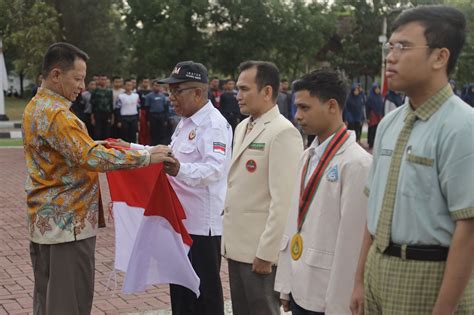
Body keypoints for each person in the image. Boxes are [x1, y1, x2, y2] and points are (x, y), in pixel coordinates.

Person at [22, 42, 174, 315]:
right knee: (69, 302)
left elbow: (72, 149)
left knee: (47, 298)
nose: (82, 86)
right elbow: (89, 157)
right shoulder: (57, 114)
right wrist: (146, 157)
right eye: (77, 78)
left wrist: (109, 145)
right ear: (56, 75)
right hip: (69, 226)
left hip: (47, 222)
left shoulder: (36, 105)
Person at [350, 5, 474, 315]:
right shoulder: (391, 123)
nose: (390, 57)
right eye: (390, 46)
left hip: (428, 274)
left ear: (439, 57)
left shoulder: (462, 126)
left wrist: (443, 310)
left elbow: (468, 227)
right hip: (379, 269)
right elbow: (373, 208)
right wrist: (360, 280)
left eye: (403, 46)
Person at [122, 61, 232, 315]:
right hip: (181, 222)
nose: (171, 97)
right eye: (170, 91)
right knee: (181, 295)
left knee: (204, 296)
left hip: (202, 227)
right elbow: (167, 154)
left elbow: (215, 169)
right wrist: (130, 148)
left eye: (177, 91)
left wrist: (180, 169)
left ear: (197, 92)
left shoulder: (213, 125)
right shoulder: (186, 122)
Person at [275, 69, 372, 315]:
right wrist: (286, 284)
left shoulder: (357, 163)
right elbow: (292, 222)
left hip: (327, 296)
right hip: (300, 285)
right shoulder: (308, 156)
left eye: (305, 108)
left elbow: (351, 244)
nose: (297, 116)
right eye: (297, 108)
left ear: (331, 106)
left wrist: (339, 306)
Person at [222, 61, 303, 315]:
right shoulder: (242, 127)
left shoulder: (283, 132)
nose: (238, 96)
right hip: (237, 247)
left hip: (260, 253)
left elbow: (284, 201)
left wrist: (267, 253)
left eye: (245, 89)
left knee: (261, 310)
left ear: (267, 92)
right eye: (237, 89)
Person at [115, 79, 140, 143]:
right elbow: (117, 109)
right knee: (124, 136)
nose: (129, 86)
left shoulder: (136, 96)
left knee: (133, 136)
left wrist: (138, 120)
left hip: (134, 117)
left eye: (130, 85)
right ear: (124, 86)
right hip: (124, 118)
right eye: (127, 85)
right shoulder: (120, 96)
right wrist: (119, 121)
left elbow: (138, 108)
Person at [146, 80, 170, 145]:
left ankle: (162, 145)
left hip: (161, 115)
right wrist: (147, 119)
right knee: (153, 132)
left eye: (158, 86)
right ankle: (153, 145)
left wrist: (165, 119)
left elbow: (165, 108)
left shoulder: (163, 96)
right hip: (152, 115)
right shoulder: (148, 96)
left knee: (162, 132)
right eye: (155, 85)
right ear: (152, 86)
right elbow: (147, 109)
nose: (157, 87)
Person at [91, 75, 114, 140]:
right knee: (97, 132)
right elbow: (92, 104)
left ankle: (106, 147)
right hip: (97, 113)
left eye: (104, 79)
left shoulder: (109, 91)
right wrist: (92, 117)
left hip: (107, 113)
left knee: (107, 132)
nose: (103, 81)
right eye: (101, 79)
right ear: (99, 80)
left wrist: (112, 116)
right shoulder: (95, 91)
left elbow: (111, 103)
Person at [365, 82, 384, 149]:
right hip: (372, 116)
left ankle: (375, 143)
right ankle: (370, 143)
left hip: (378, 116)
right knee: (371, 130)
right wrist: (367, 117)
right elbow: (367, 108)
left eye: (378, 88)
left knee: (377, 129)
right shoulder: (370, 97)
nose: (377, 90)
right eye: (376, 89)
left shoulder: (379, 96)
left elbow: (381, 106)